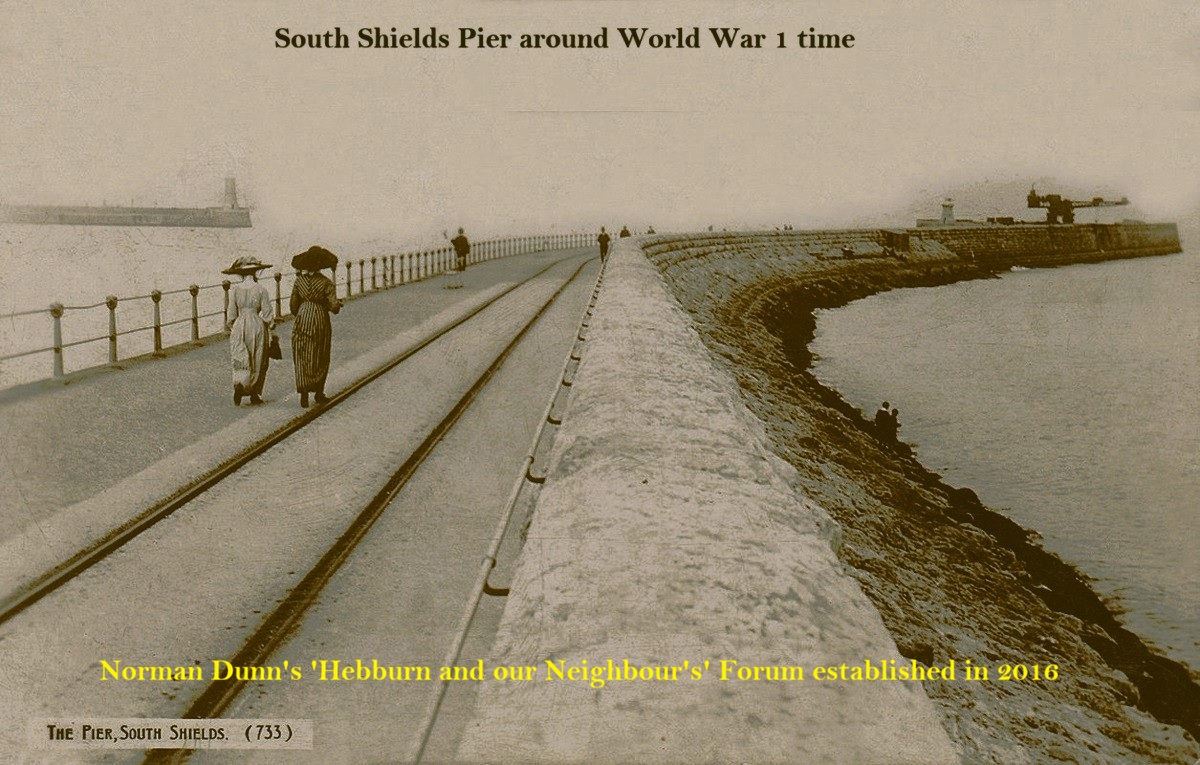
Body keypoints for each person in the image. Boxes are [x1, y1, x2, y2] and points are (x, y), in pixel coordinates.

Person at [289, 252, 342, 408]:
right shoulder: (326, 283)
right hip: (320, 319)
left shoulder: (299, 281)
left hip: (302, 317)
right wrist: (336, 305)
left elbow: (293, 306)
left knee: (302, 352)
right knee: (320, 353)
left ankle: (303, 393)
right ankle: (318, 393)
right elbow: (334, 307)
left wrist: (302, 311)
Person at [222, 255, 275, 406]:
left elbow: (231, 315)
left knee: (241, 357)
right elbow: (267, 313)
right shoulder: (261, 290)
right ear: (255, 272)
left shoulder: (235, 290)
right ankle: (254, 393)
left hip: (240, 325)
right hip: (257, 324)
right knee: (258, 357)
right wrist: (271, 327)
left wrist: (234, 327)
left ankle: (240, 383)